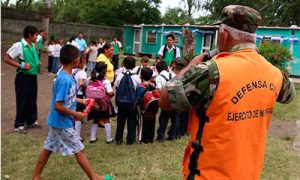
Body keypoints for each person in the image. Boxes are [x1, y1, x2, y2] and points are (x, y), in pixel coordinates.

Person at [159, 5, 296, 179]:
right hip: (249, 174)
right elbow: (289, 95)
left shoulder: (211, 71)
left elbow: (165, 100)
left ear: (224, 35)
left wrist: (191, 65)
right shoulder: (274, 73)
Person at [31, 45, 106, 180]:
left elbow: (67, 97)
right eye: (79, 57)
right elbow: (58, 106)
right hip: (62, 122)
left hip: (57, 121)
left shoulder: (67, 76)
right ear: (75, 60)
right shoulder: (64, 79)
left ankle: (36, 177)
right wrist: (75, 114)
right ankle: (94, 177)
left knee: (48, 148)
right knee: (79, 149)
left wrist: (81, 101)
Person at [4, 25, 41, 134]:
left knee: (32, 98)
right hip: (23, 77)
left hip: (33, 76)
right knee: (23, 100)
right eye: (35, 34)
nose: (37, 36)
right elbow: (6, 58)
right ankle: (19, 124)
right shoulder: (18, 45)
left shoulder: (33, 45)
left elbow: (34, 57)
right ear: (30, 35)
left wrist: (37, 61)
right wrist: (21, 66)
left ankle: (31, 120)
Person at [114, 56, 141, 145]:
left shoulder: (120, 75)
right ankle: (130, 140)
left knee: (120, 121)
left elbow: (116, 86)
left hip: (121, 103)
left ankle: (118, 139)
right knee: (132, 122)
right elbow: (138, 87)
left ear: (124, 64)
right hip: (132, 103)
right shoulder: (136, 77)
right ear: (134, 66)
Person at [87, 62, 114, 144]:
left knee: (96, 119)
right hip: (103, 104)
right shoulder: (105, 81)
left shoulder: (90, 79)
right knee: (106, 120)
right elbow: (110, 92)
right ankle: (108, 138)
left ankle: (92, 137)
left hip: (94, 103)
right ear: (105, 70)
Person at [155, 61, 177, 142]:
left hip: (165, 101)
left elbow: (159, 90)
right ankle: (172, 135)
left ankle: (160, 137)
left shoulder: (159, 78)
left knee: (164, 119)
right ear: (167, 68)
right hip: (175, 100)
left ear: (157, 70)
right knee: (174, 119)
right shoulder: (174, 75)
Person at [136, 67, 157, 143]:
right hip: (153, 109)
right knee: (152, 122)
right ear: (151, 77)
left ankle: (142, 139)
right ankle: (150, 138)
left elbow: (138, 99)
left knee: (142, 123)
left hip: (143, 109)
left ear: (140, 76)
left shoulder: (140, 87)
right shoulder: (154, 85)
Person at [72, 56, 88, 142]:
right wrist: (85, 85)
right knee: (78, 115)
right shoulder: (82, 73)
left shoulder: (73, 71)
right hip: (79, 95)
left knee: (72, 114)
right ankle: (77, 136)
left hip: (71, 94)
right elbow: (81, 83)